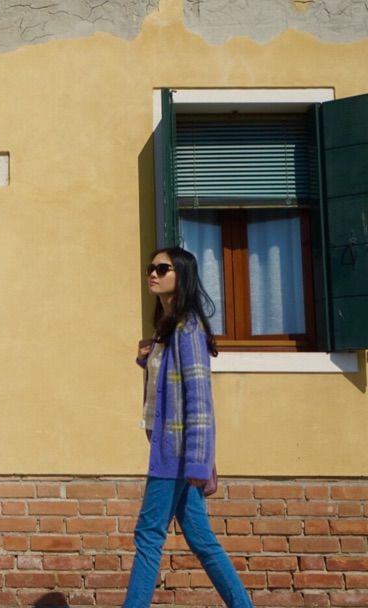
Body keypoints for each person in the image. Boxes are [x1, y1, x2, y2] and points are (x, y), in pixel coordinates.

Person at [123, 246, 253, 608]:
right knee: (200, 538)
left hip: (176, 453)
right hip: (171, 449)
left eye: (162, 268)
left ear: (182, 276)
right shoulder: (168, 330)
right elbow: (168, 387)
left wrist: (198, 462)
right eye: (151, 268)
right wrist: (147, 360)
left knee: (148, 535)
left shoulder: (188, 328)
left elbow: (199, 402)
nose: (153, 274)